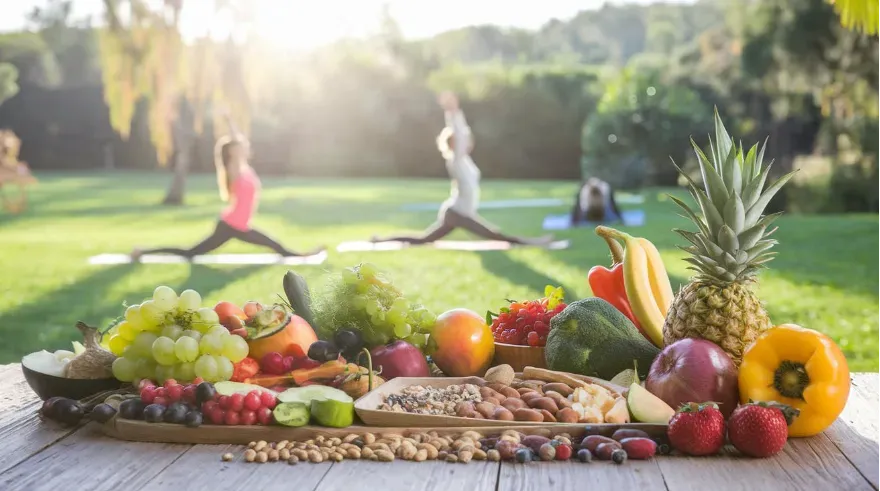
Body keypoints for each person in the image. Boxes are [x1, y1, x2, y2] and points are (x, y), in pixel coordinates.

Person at [372, 91, 554, 246]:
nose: (468, 141)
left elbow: (462, 134)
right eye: (463, 141)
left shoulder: (464, 161)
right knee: (495, 235)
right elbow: (459, 133)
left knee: (424, 240)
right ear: (455, 144)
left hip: (458, 212)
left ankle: (380, 240)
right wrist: (453, 112)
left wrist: (455, 116)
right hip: (457, 213)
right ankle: (534, 243)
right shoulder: (456, 160)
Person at [132, 131, 324, 261]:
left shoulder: (245, 168)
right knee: (190, 253)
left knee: (275, 245)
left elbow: (241, 142)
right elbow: (238, 146)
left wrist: (230, 122)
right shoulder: (233, 169)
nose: (242, 149)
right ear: (232, 153)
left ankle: (302, 255)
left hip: (239, 225)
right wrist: (231, 127)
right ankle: (143, 251)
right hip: (231, 226)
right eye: (237, 149)